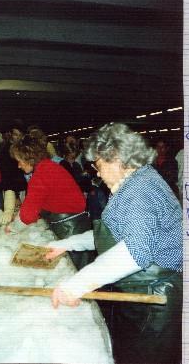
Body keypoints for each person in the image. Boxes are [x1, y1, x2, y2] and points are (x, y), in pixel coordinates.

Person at [45, 123, 182, 364]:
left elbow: (135, 251)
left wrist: (76, 285)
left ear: (116, 158)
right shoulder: (137, 181)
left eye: (98, 166)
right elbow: (117, 235)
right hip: (143, 285)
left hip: (154, 295)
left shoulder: (140, 191)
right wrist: (69, 244)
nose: (97, 173)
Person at [9, 134, 93, 269]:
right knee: (84, 266)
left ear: (28, 158)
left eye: (19, 161)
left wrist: (12, 228)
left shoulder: (40, 175)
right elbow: (43, 202)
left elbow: (28, 216)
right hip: (77, 222)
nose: (19, 166)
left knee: (77, 269)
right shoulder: (50, 167)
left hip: (69, 227)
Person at [0, 125, 27, 225]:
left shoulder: (24, 149)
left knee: (22, 219)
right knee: (9, 217)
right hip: (9, 189)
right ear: (10, 135)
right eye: (15, 134)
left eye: (20, 135)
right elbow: (6, 175)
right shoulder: (4, 151)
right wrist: (16, 195)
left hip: (23, 188)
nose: (18, 137)